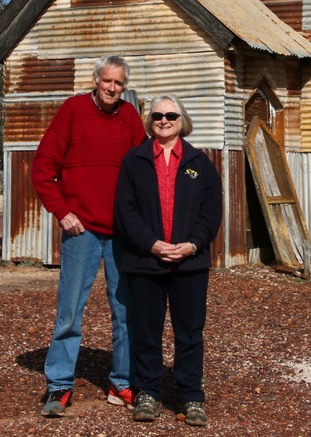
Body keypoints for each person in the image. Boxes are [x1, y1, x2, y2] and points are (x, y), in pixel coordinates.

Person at [32, 56, 146, 418]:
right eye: (108, 81)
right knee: (69, 311)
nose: (113, 88)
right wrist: (62, 212)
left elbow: (143, 170)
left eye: (119, 84)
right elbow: (43, 168)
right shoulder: (73, 110)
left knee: (125, 311)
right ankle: (60, 386)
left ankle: (122, 383)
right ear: (95, 80)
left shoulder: (130, 117)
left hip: (120, 234)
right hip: (81, 230)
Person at [114, 95, 224, 427]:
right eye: (158, 115)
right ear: (150, 121)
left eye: (171, 114)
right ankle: (148, 392)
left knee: (189, 332)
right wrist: (152, 244)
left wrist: (191, 245)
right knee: (146, 331)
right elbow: (125, 211)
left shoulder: (200, 163)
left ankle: (191, 396)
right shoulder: (134, 161)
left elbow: (211, 213)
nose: (164, 120)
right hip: (146, 261)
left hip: (189, 263)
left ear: (181, 119)